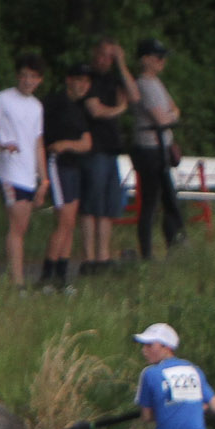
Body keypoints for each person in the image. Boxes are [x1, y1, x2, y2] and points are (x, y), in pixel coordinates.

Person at [0, 53, 47, 289]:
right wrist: (1, 144)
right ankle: (16, 282)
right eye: (24, 76)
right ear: (18, 76)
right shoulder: (3, 99)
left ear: (39, 80)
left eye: (33, 77)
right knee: (17, 225)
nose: (28, 81)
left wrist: (44, 179)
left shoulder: (37, 107)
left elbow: (38, 143)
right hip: (9, 171)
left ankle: (15, 277)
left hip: (29, 174)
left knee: (22, 227)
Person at [38, 64, 95, 291]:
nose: (82, 86)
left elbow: (87, 143)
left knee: (70, 223)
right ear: (69, 80)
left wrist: (69, 144)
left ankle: (61, 277)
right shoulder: (55, 103)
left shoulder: (78, 108)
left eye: (86, 82)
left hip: (72, 165)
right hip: (58, 165)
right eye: (79, 80)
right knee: (63, 222)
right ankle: (46, 277)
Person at [127, 37, 184, 258]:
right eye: (159, 58)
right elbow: (162, 118)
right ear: (147, 59)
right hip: (150, 148)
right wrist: (170, 116)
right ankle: (147, 253)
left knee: (169, 198)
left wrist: (170, 116)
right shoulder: (143, 84)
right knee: (151, 201)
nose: (163, 62)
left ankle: (174, 245)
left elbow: (173, 110)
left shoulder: (156, 83)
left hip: (162, 146)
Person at [78, 38, 132, 270]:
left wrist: (122, 64)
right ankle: (89, 258)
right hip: (93, 149)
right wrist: (120, 109)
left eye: (110, 56)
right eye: (102, 55)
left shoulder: (113, 77)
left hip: (111, 150)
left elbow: (134, 94)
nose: (105, 60)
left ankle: (104, 257)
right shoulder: (89, 78)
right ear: (94, 54)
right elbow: (95, 110)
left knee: (108, 205)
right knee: (92, 204)